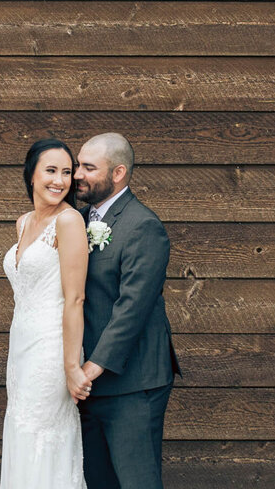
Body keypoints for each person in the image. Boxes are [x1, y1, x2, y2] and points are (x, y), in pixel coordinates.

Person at [74, 133, 179, 489]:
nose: (77, 175)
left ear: (118, 173)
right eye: (78, 165)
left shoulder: (143, 226)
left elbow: (132, 307)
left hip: (132, 383)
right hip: (89, 385)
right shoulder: (78, 219)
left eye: (88, 167)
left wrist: (92, 366)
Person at [1, 138, 92, 488]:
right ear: (31, 176)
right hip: (22, 346)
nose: (60, 180)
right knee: (22, 428)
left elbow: (75, 298)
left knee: (42, 433)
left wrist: (71, 367)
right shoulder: (23, 223)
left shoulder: (68, 222)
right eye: (51, 171)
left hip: (53, 349)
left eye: (67, 172)